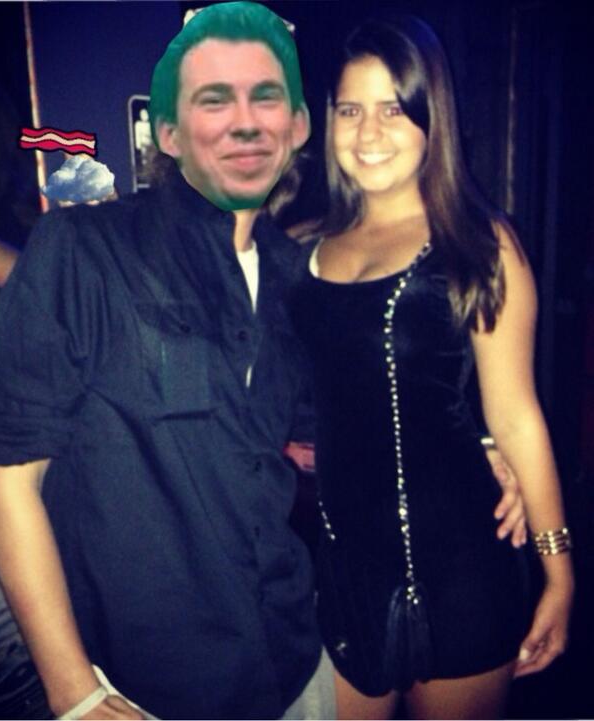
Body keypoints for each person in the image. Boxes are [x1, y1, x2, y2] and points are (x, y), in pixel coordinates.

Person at [0, 3, 333, 719]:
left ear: (298, 125)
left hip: (290, 658)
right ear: (170, 130)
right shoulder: (84, 250)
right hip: (139, 688)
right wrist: (74, 691)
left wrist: (483, 455)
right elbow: (7, 479)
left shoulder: (298, 279)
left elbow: (329, 435)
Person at [289, 14, 574, 720]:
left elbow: (516, 413)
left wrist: (559, 571)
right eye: (349, 110)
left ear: (431, 118)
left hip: (462, 567)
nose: (368, 132)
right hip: (342, 572)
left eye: (393, 109)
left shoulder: (479, 244)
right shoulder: (300, 248)